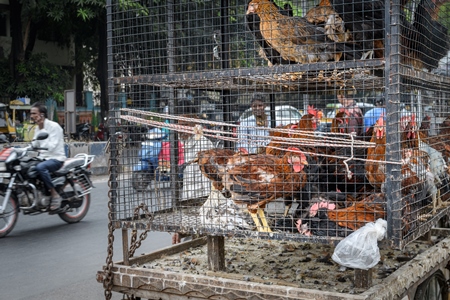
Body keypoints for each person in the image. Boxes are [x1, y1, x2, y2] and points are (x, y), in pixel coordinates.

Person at [30, 102, 67, 211]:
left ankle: (54, 193)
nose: (32, 116)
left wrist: (42, 129)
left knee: (41, 167)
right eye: (31, 113)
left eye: (34, 113)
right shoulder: (37, 129)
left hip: (56, 158)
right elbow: (34, 144)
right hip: (43, 158)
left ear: (42, 114)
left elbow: (51, 147)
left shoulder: (53, 126)